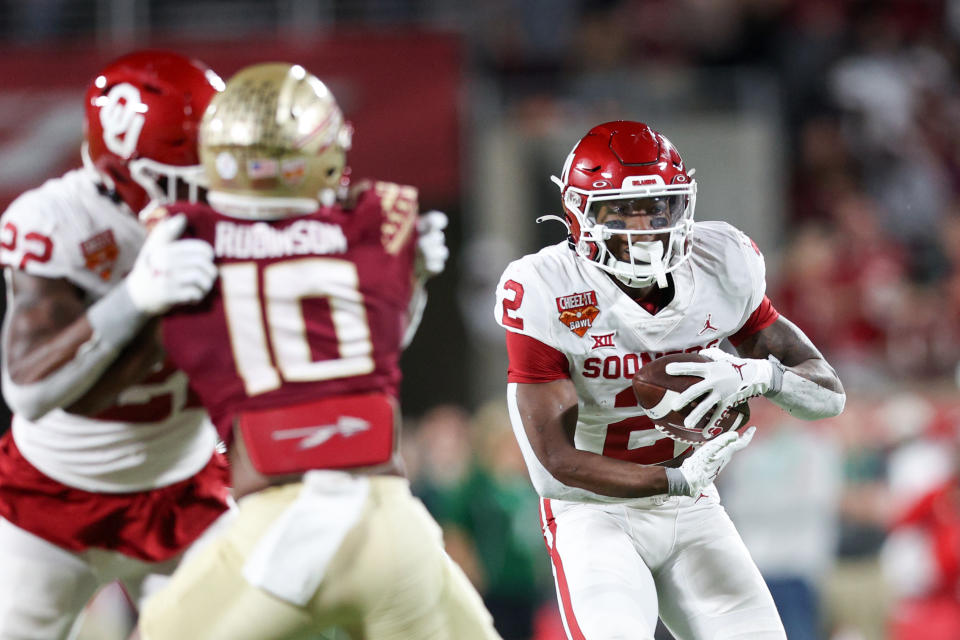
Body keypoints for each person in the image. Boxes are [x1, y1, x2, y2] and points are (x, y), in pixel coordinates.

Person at [138, 62, 501, 640]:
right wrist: (414, 283)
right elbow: (379, 348)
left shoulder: (181, 237)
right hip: (389, 523)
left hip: (273, 527)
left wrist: (135, 300)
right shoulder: (376, 223)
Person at [494, 121, 846, 640]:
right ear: (577, 212)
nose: (642, 227)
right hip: (594, 513)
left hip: (693, 508)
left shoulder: (720, 262)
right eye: (620, 210)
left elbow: (828, 396)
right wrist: (675, 479)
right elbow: (553, 467)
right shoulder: (547, 288)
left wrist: (756, 375)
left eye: (657, 206)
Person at [0, 50, 230, 639]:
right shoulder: (58, 221)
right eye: (202, 160)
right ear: (133, 172)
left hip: (187, 485)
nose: (223, 175)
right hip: (55, 494)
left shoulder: (241, 212)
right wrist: (136, 299)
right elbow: (27, 389)